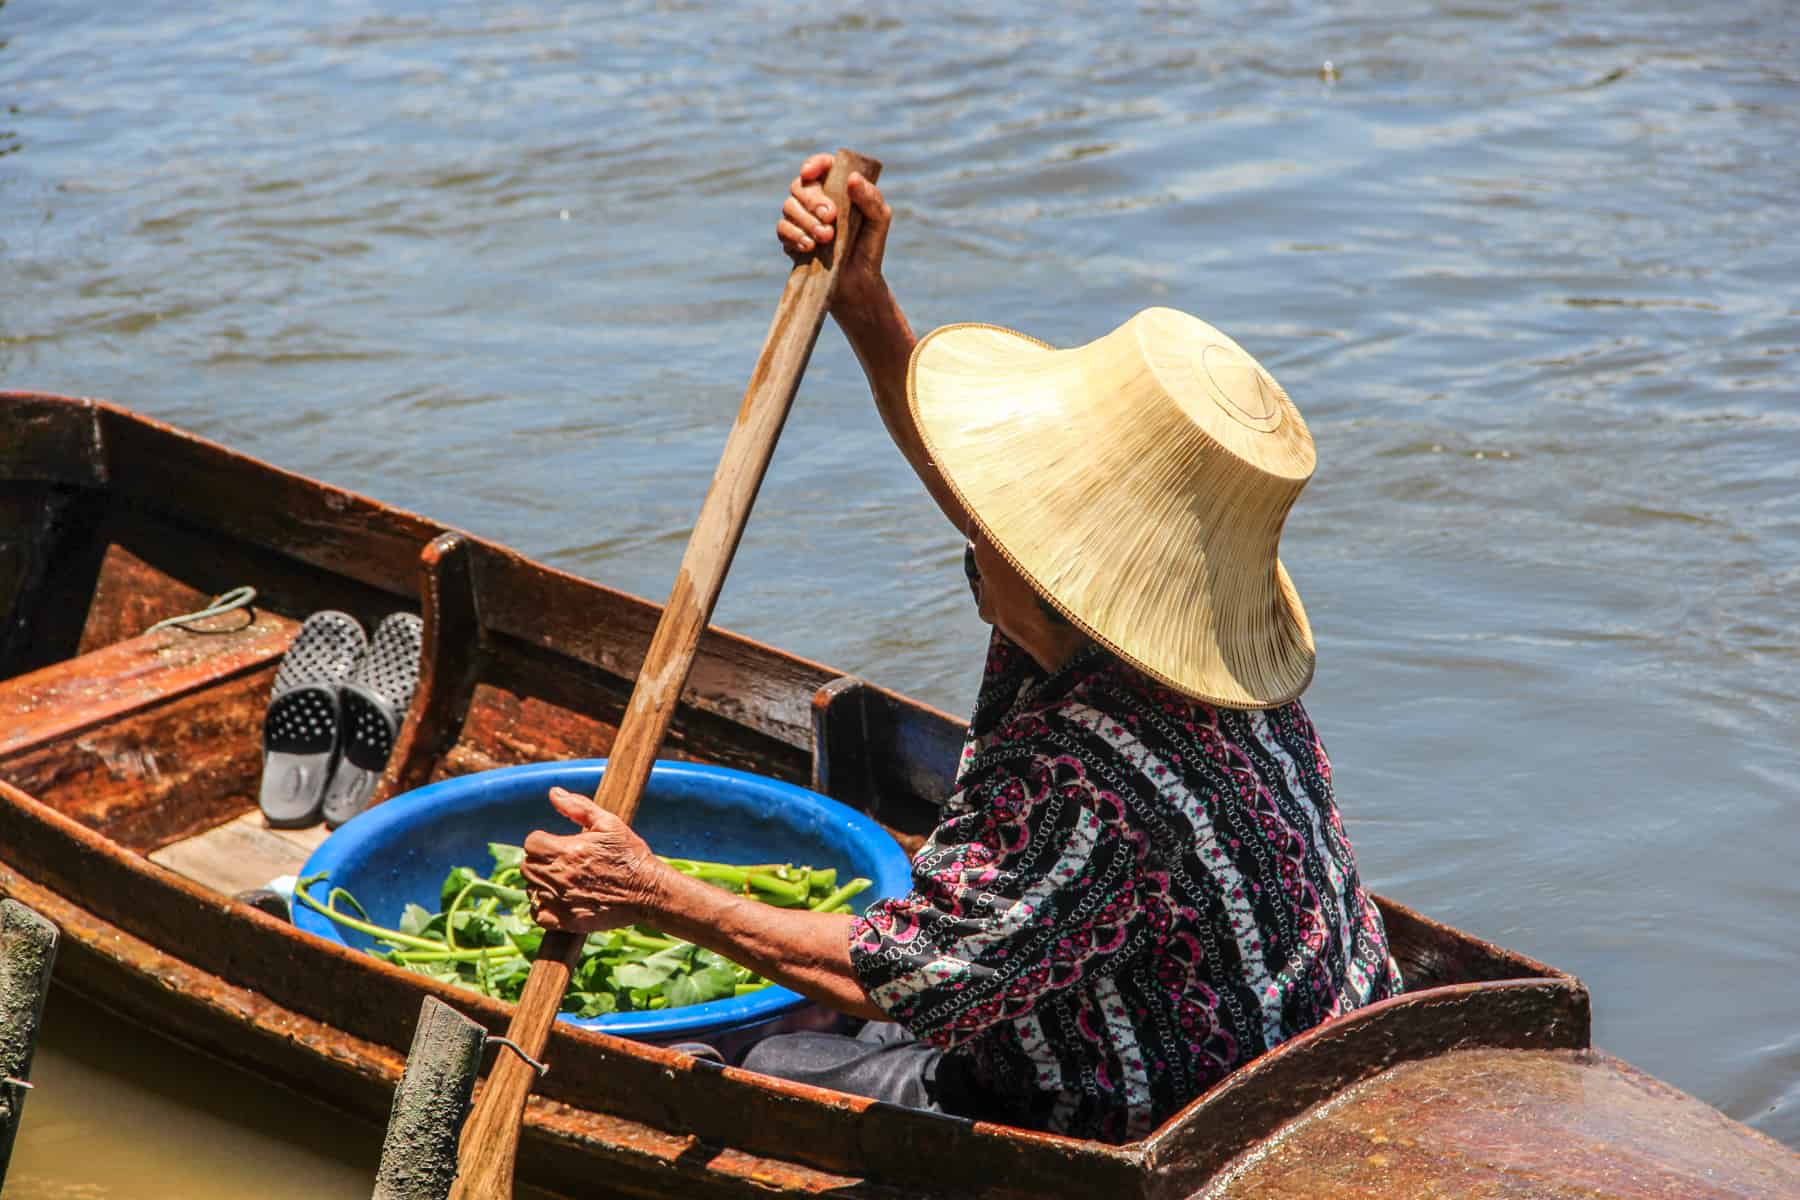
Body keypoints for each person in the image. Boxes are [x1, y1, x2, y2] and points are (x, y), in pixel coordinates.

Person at [521, 152, 1404, 1144]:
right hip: (1329, 1042)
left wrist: (648, 893)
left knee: (749, 1063)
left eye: (1003, 521)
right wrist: (862, 302)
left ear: (1052, 565)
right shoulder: (1196, 652)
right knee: (801, 1028)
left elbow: (906, 975)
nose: (974, 521)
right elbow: (974, 492)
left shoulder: (1083, 776)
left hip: (1164, 1120)